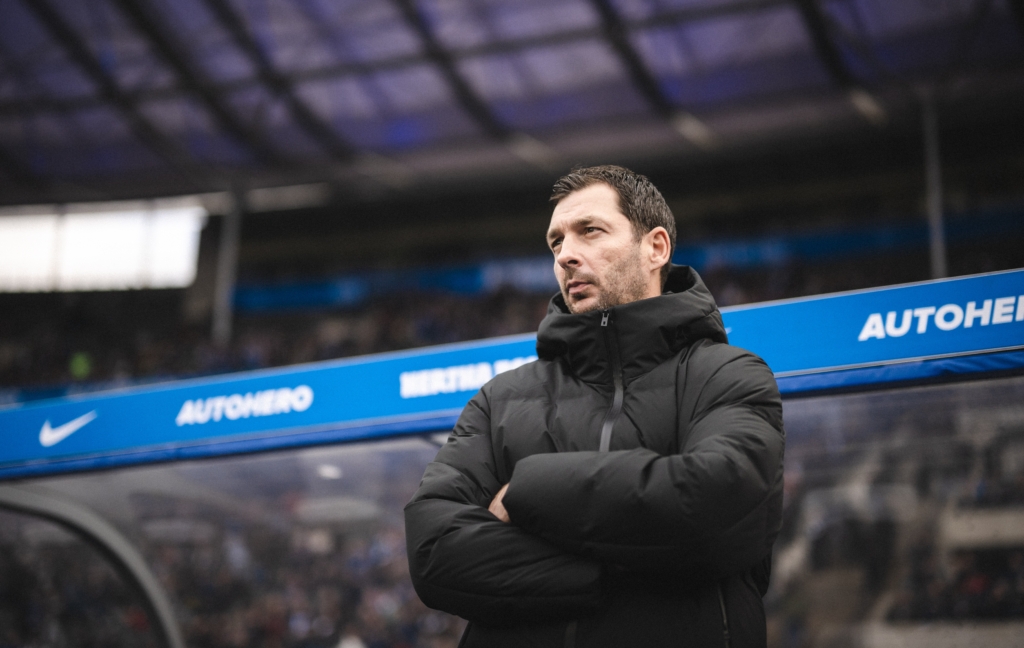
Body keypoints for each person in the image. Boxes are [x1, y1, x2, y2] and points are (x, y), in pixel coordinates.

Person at [404, 165, 785, 647]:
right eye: (556, 242)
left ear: (656, 248)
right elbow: (434, 551)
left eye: (590, 231)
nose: (566, 255)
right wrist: (610, 575)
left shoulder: (726, 373)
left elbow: (718, 506)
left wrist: (527, 487)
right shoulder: (499, 399)